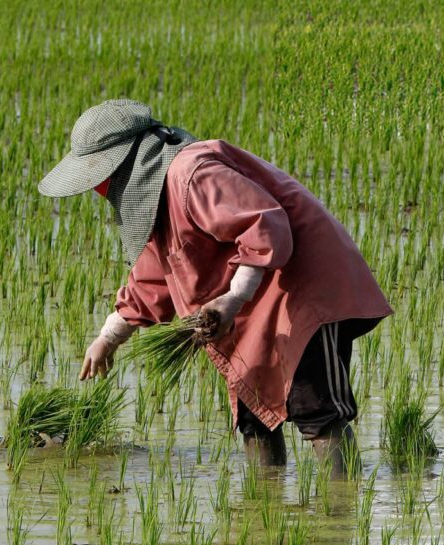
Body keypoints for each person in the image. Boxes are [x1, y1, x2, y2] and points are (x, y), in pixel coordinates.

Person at [38, 99, 392, 473]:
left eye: (99, 177)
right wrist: (108, 337)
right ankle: (261, 514)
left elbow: (265, 227)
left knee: (317, 408)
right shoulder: (157, 200)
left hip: (302, 288)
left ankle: (341, 516)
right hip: (252, 306)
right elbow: (152, 278)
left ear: (125, 162)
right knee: (254, 416)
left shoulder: (192, 174)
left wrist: (235, 297)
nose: (100, 189)